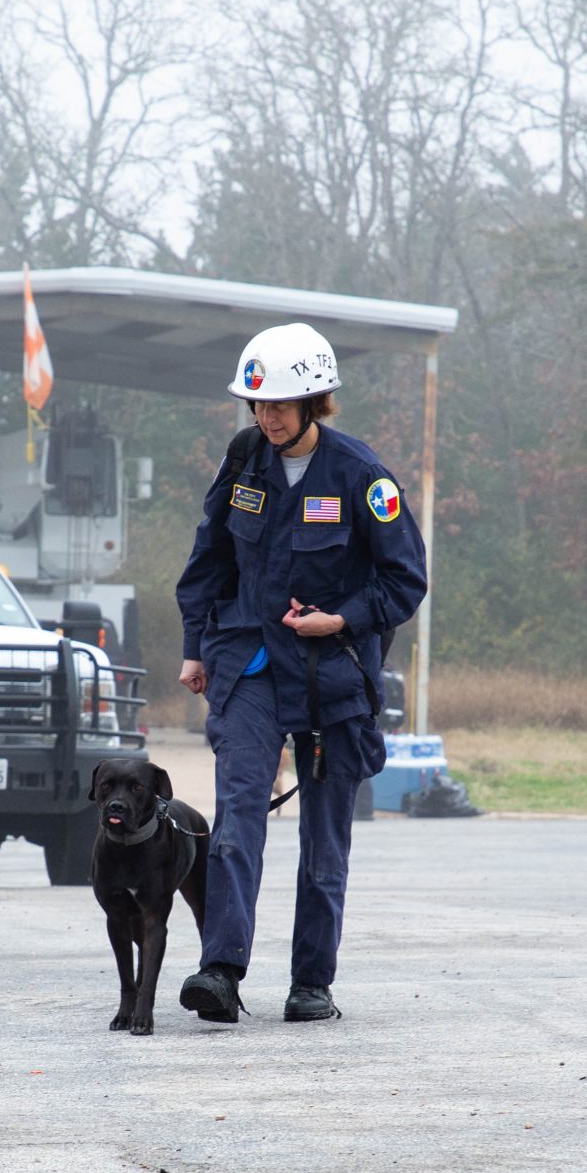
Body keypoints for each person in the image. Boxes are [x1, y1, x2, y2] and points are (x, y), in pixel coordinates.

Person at [173, 324, 426, 1024]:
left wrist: (340, 620)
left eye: (281, 403)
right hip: (247, 660)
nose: (267, 416)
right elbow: (208, 560)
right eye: (257, 405)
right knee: (239, 811)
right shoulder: (243, 460)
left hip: (331, 672)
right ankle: (219, 970)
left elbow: (404, 581)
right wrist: (195, 646)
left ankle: (311, 983)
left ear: (315, 399)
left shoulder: (361, 476)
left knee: (323, 835)